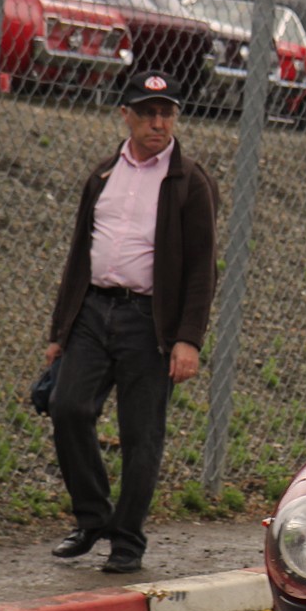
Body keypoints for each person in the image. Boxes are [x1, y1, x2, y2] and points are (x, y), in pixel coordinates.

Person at [44, 70, 219, 573]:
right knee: (67, 407)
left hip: (149, 320)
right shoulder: (103, 176)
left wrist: (188, 339)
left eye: (166, 113)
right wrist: (60, 332)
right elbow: (79, 256)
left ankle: (127, 540)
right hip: (92, 311)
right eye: (147, 113)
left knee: (141, 434)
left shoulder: (189, 183)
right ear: (126, 115)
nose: (158, 123)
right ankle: (92, 517)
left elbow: (202, 268)